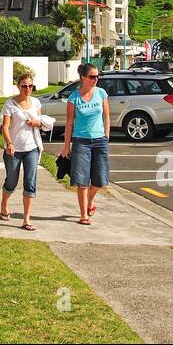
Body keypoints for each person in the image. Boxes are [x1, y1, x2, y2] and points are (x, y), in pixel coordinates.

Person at [0, 73, 52, 230]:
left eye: (30, 86)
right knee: (11, 181)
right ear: (18, 86)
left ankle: (26, 219)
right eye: (24, 86)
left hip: (32, 148)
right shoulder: (10, 104)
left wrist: (37, 123)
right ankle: (4, 204)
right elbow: (5, 126)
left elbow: (41, 121)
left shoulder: (36, 102)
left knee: (30, 181)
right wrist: (9, 143)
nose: (28, 89)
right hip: (14, 149)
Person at [60, 62, 110, 225]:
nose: (96, 79)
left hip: (100, 140)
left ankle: (89, 202)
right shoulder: (74, 98)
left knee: (100, 179)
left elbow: (107, 117)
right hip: (81, 141)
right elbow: (69, 122)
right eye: (92, 77)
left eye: (97, 76)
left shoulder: (101, 93)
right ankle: (84, 215)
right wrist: (67, 146)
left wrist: (106, 136)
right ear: (83, 78)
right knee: (82, 180)